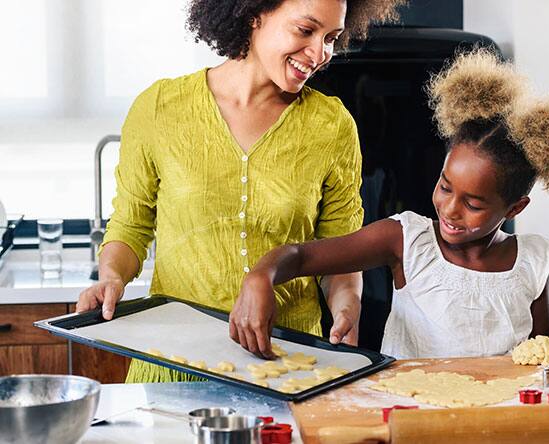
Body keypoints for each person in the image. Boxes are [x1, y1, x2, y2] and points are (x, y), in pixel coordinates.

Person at [76, 0, 405, 381]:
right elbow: (130, 227)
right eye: (305, 31)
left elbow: (340, 251)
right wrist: (111, 277)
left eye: (331, 38)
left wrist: (347, 304)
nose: (320, 53)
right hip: (176, 362)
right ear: (254, 14)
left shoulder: (332, 126)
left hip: (289, 366)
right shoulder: (159, 109)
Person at [233, 49, 549, 360]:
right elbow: (301, 256)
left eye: (473, 203)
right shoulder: (406, 240)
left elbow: (543, 356)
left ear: (514, 209)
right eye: (445, 186)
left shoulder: (532, 258)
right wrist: (262, 275)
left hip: (498, 421)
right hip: (412, 415)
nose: (450, 208)